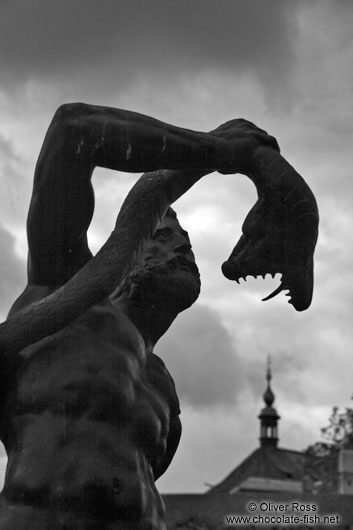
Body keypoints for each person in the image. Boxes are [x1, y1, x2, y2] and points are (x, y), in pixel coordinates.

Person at [0, 103, 279, 529]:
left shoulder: (162, 385)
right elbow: (73, 129)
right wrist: (217, 150)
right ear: (121, 258)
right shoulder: (61, 297)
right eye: (163, 236)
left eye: (187, 239)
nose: (182, 247)